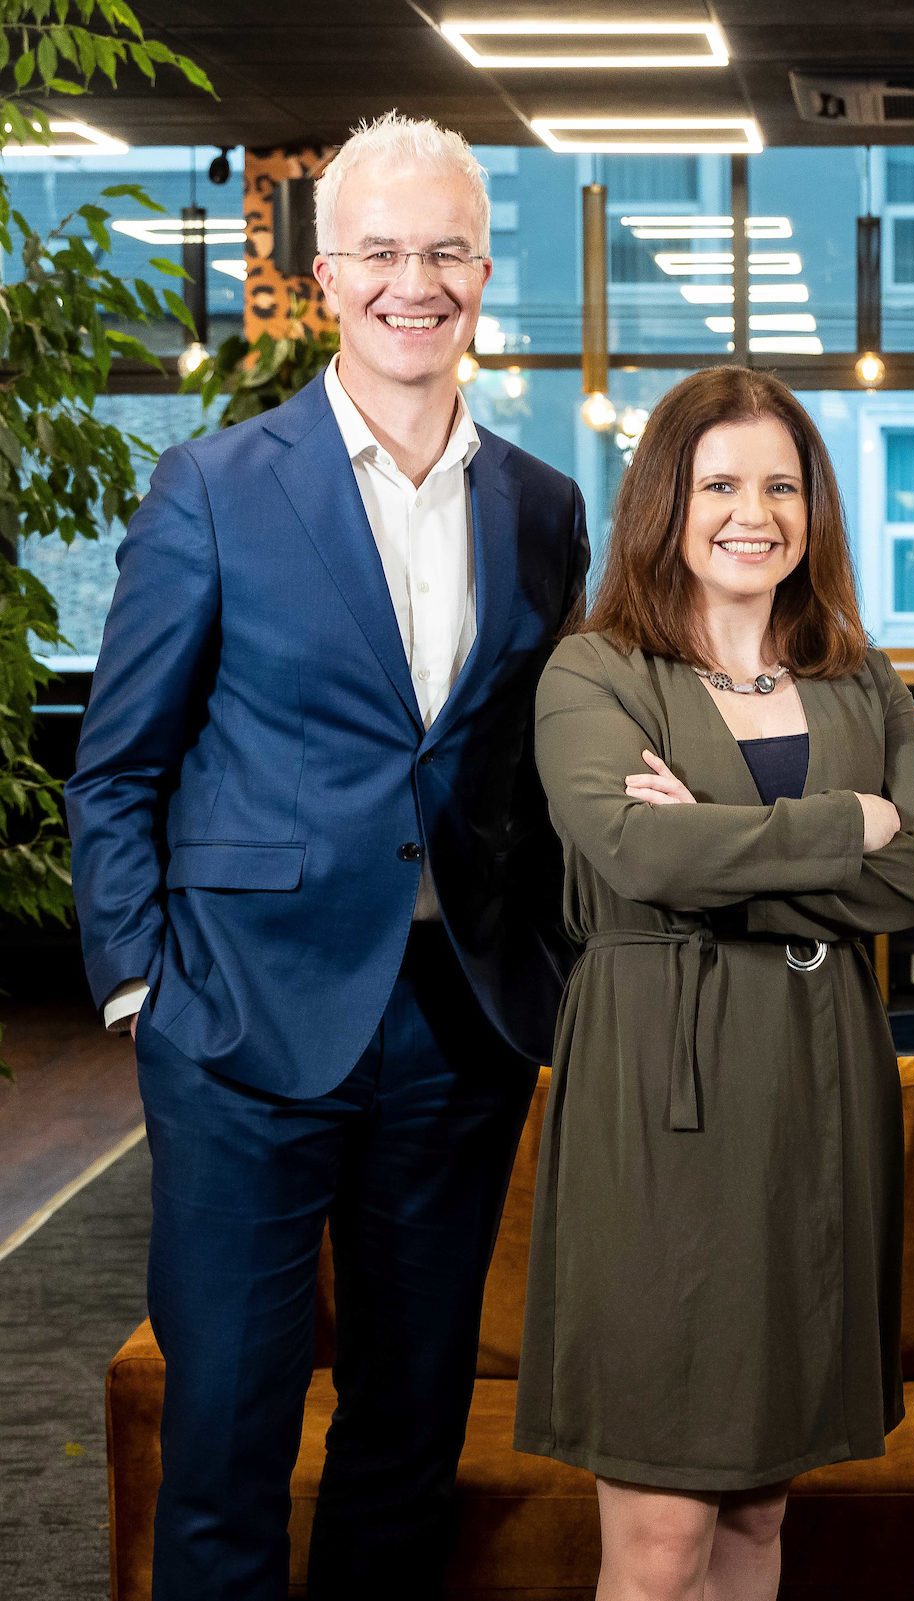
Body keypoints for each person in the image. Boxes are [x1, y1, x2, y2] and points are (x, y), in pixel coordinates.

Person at [65, 113, 589, 1599]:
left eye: (444, 252)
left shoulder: (543, 506)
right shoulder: (215, 486)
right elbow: (119, 763)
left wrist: (552, 966)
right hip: (238, 1020)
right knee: (226, 1437)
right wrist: (141, 988)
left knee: (409, 1434)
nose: (413, 283)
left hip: (456, 1030)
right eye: (380, 252)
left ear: (482, 274)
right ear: (325, 275)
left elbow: (531, 770)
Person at [514, 366, 914, 1601]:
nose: (751, 513)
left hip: (820, 1090)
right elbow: (639, 854)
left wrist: (718, 846)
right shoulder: (594, 672)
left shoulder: (857, 674)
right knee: (662, 1529)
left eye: (781, 485)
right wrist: (846, 822)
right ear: (666, 499)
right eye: (718, 484)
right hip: (664, 1090)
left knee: (761, 1508)